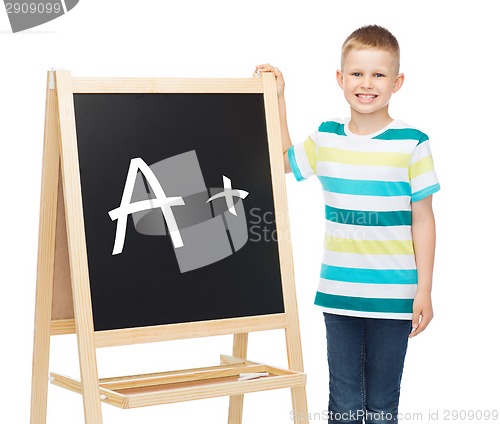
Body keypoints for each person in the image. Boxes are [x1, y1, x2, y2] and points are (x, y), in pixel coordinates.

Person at [256, 24, 440, 424]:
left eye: (378, 74)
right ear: (341, 79)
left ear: (397, 82)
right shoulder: (327, 137)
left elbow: (423, 220)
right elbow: (282, 161)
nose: (366, 84)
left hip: (394, 298)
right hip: (338, 295)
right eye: (357, 73)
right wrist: (279, 97)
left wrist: (424, 289)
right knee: (342, 404)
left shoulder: (412, 142)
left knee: (380, 406)